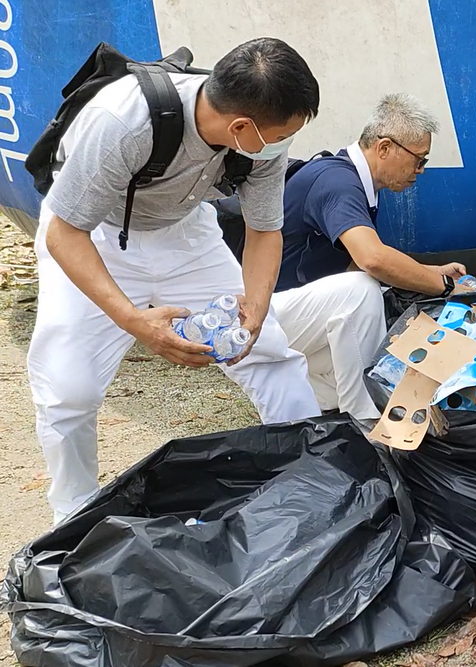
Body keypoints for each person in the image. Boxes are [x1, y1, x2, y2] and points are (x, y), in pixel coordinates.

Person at [27, 37, 323, 524]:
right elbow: (63, 232)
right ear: (241, 126)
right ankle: (72, 514)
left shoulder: (262, 139)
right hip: (94, 235)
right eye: (278, 135)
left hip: (185, 232)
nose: (281, 145)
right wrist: (134, 321)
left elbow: (264, 228)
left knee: (268, 350)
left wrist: (256, 305)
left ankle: (315, 474)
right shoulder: (123, 121)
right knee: (69, 387)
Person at [273, 93, 470, 425]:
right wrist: (445, 286)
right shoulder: (338, 183)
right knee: (362, 290)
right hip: (266, 318)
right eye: (419, 160)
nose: (420, 171)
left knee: (378, 346)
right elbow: (371, 259)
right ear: (384, 148)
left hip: (292, 317)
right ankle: (366, 420)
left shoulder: (355, 183)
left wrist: (426, 270)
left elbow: (355, 260)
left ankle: (315, 394)